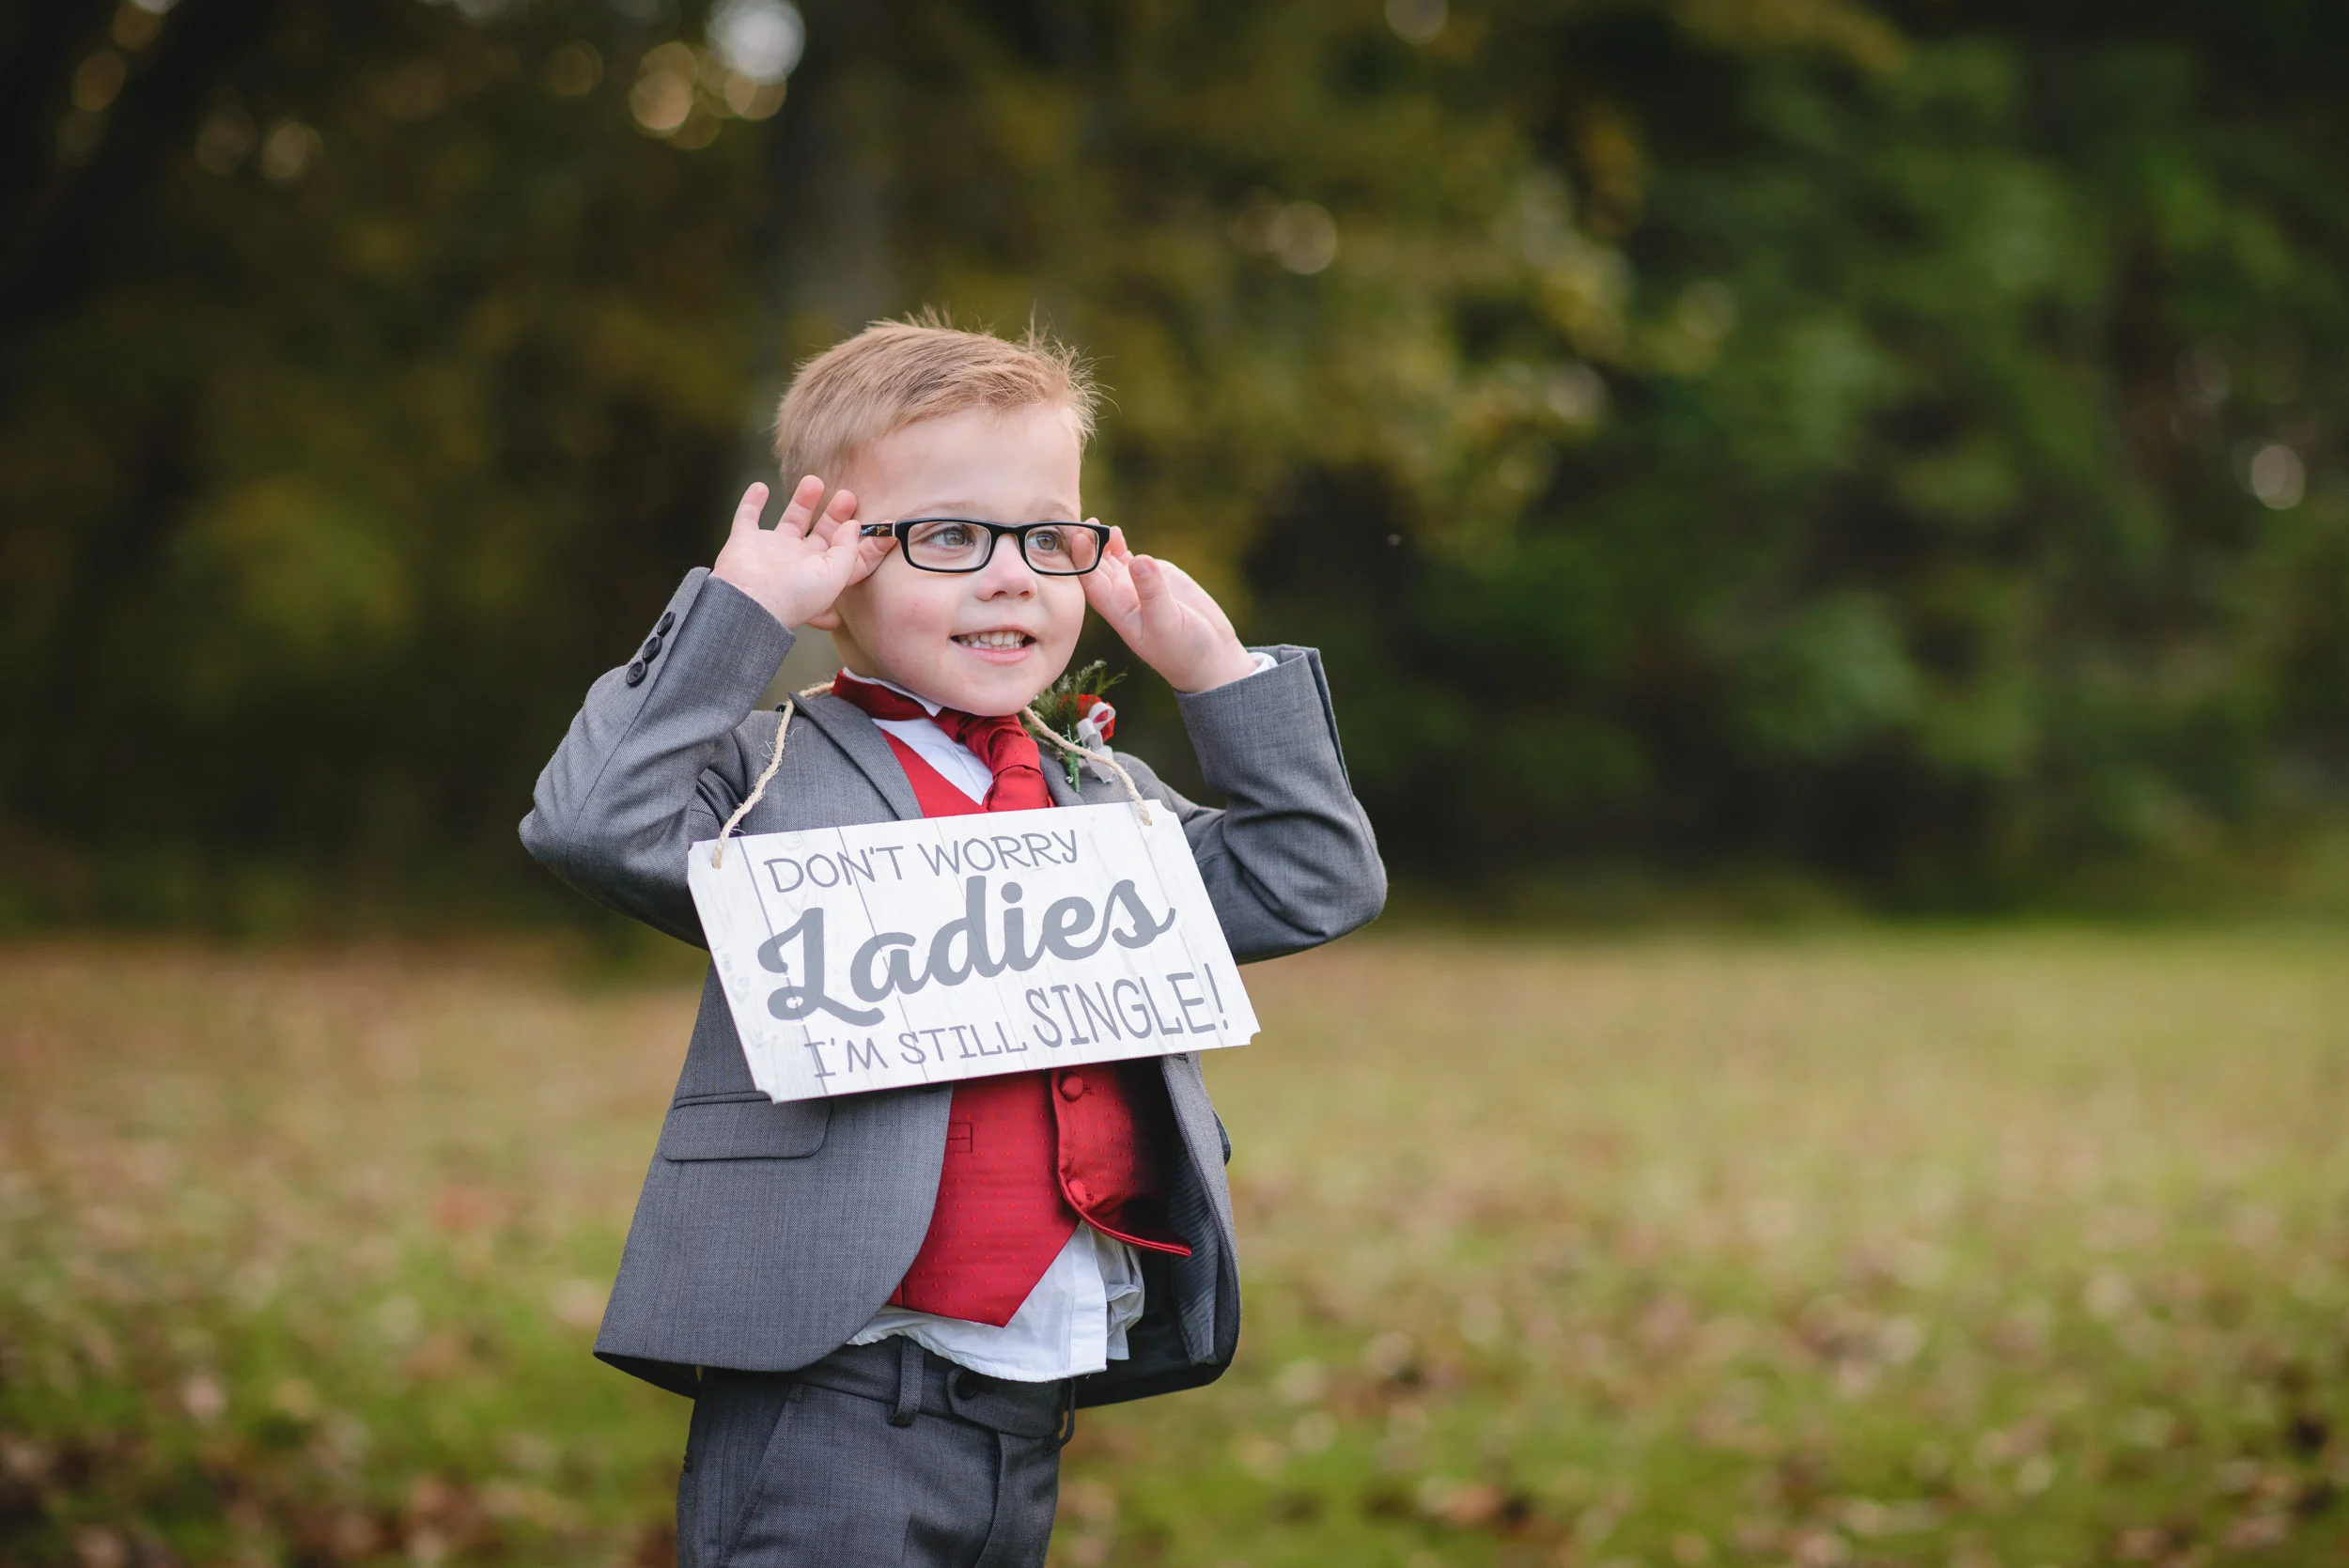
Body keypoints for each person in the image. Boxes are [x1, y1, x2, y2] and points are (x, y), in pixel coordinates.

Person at [521, 318, 1384, 1567]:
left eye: (1046, 536)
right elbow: (591, 823)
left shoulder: (1102, 793)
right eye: (949, 537)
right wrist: (739, 616)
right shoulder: (767, 775)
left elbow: (1314, 879)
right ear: (834, 568)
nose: (1010, 576)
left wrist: (1220, 677)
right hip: (833, 1381)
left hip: (1031, 1403)